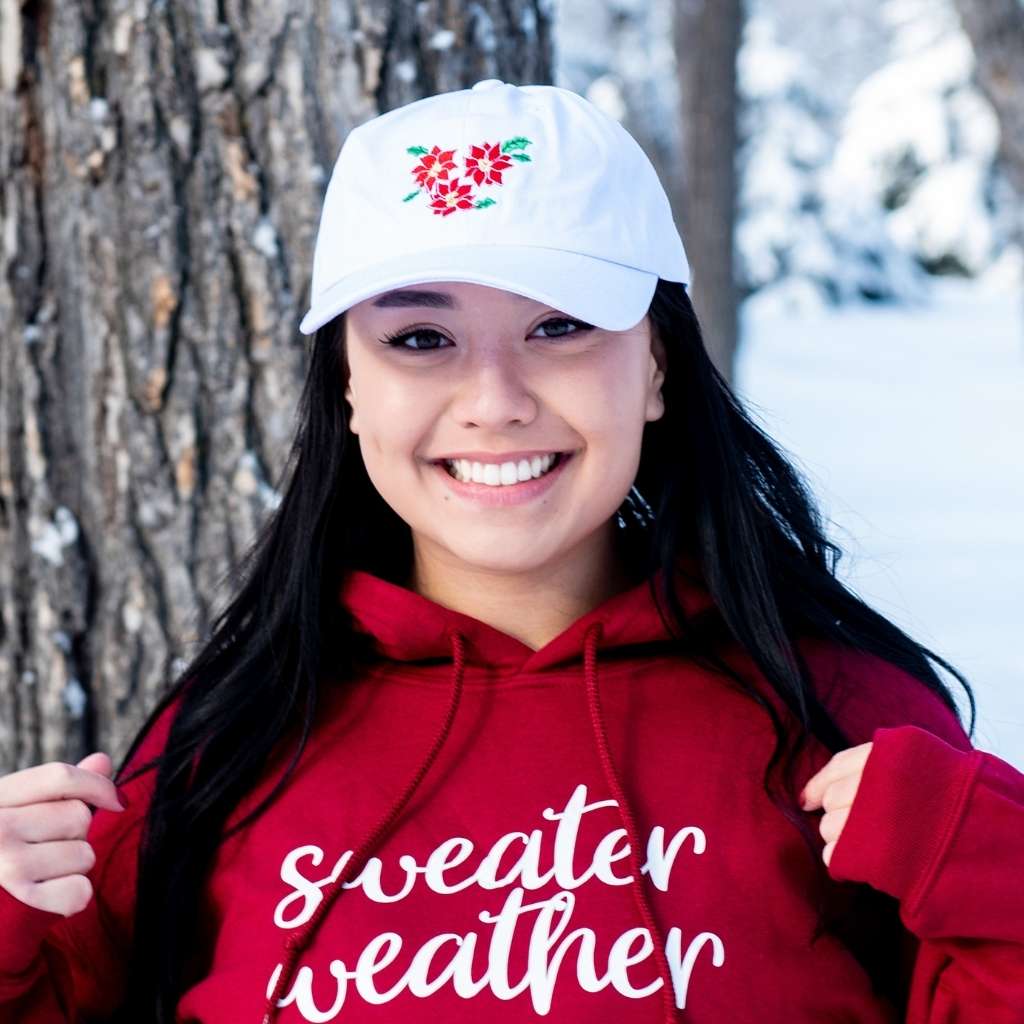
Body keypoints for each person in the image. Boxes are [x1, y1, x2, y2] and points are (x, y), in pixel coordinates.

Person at [0, 78, 1021, 1024]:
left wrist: (998, 880)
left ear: (657, 363)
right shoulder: (224, 748)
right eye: (419, 338)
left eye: (560, 325)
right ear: (348, 385)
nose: (493, 400)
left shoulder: (842, 726)